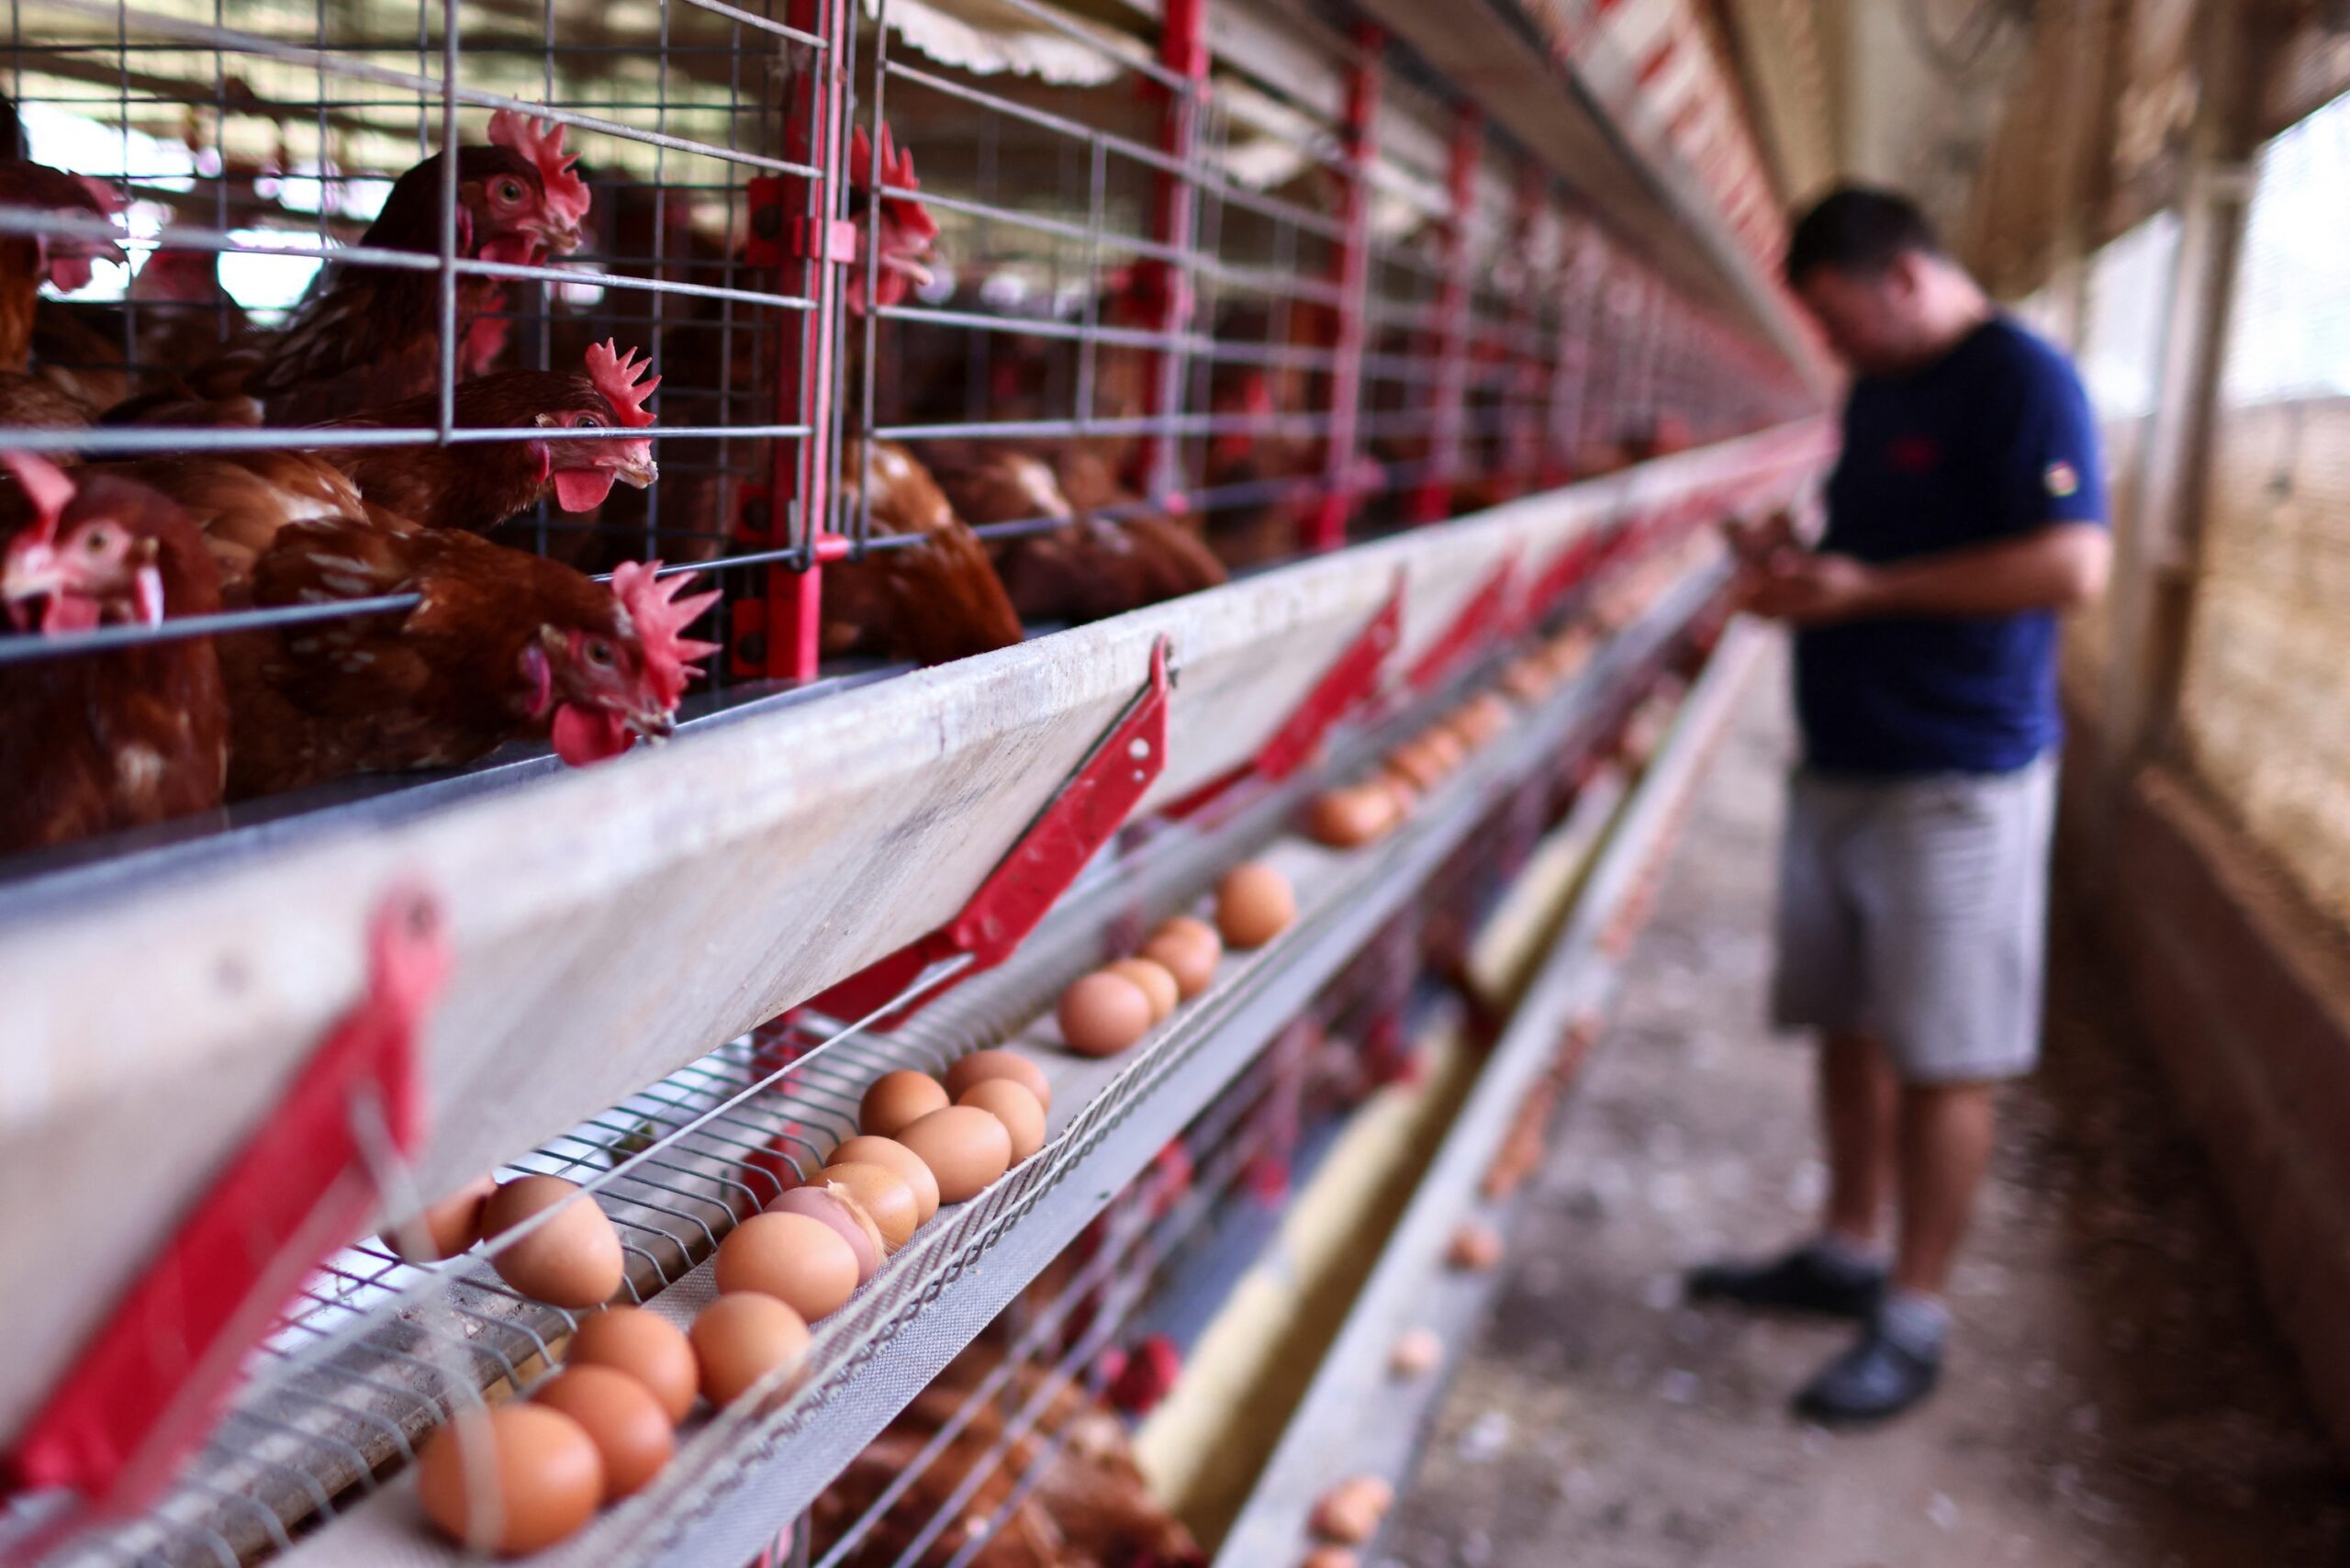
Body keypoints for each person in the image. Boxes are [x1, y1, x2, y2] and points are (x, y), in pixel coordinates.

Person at [1688, 187, 2111, 1423]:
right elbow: (1874, 539)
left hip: (1955, 776)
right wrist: (1791, 556)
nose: (1831, 345)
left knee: (1946, 1051)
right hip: (1845, 758)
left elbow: (2073, 562)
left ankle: (1915, 1316)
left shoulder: (2023, 379)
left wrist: (1865, 592)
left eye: (1836, 316)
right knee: (1849, 1024)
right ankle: (1847, 1249)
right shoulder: (1880, 387)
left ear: (1906, 277)